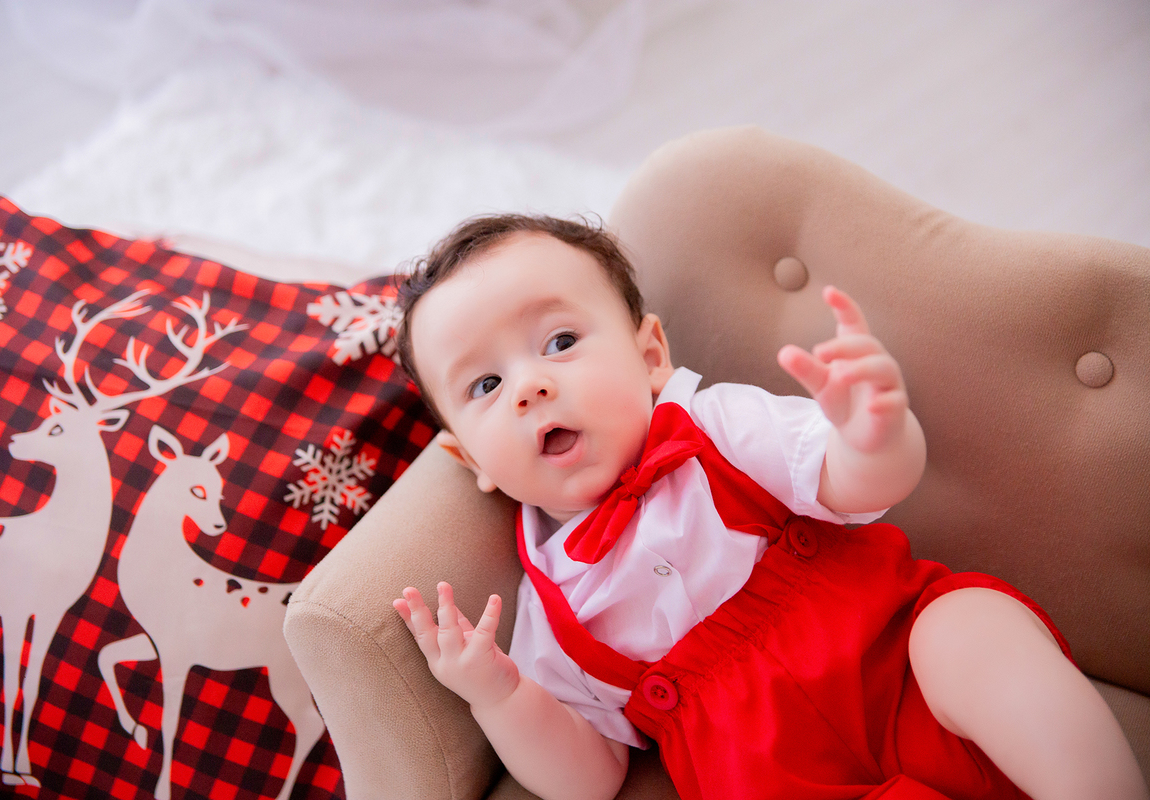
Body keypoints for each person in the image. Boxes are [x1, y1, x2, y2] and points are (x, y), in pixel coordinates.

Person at [390, 214, 1147, 800]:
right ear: (471, 461)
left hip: (895, 663)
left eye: (559, 340)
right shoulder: (549, 612)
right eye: (485, 387)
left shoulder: (717, 428)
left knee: (969, 627)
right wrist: (497, 693)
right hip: (777, 780)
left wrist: (871, 431)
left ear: (651, 356)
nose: (530, 385)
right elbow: (588, 779)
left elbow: (859, 484)